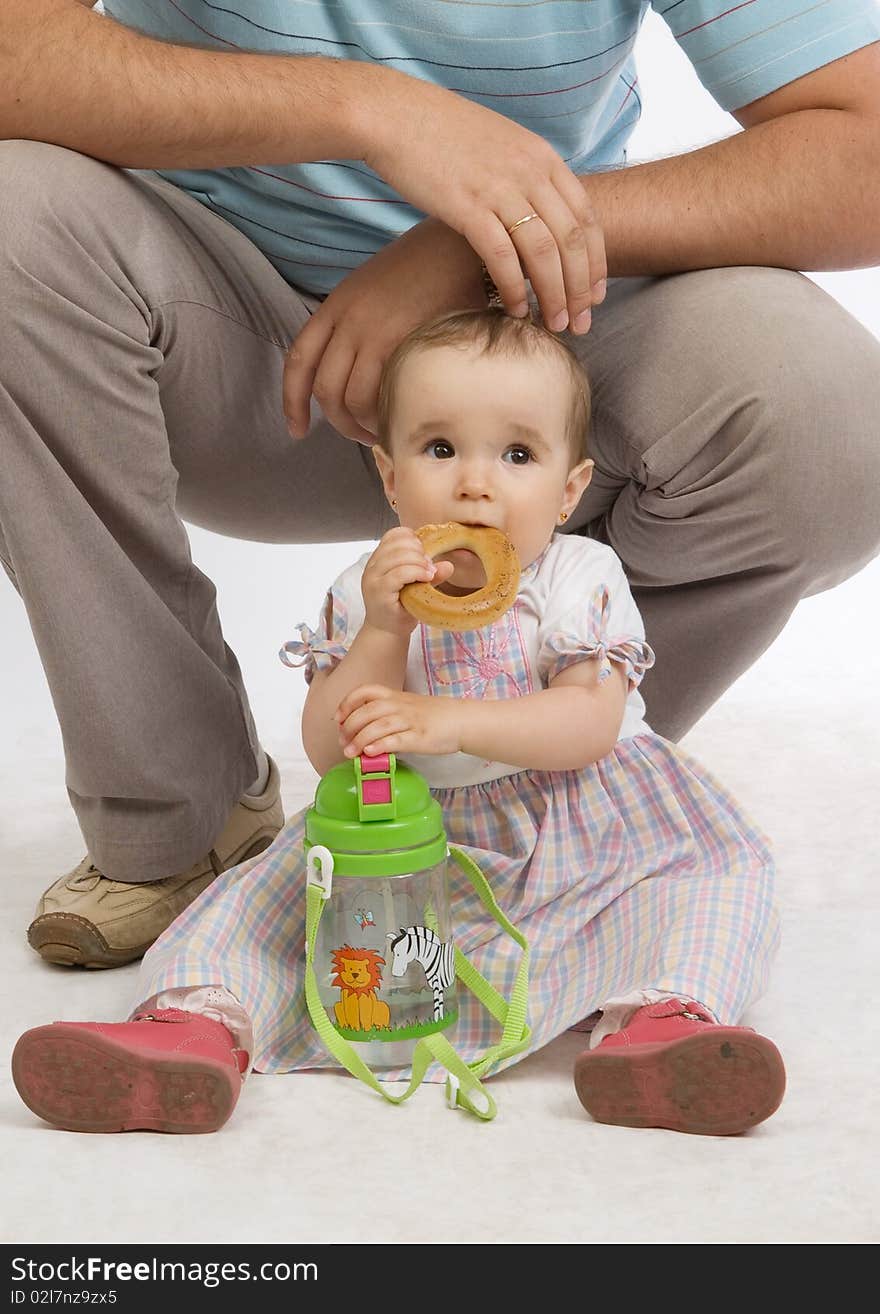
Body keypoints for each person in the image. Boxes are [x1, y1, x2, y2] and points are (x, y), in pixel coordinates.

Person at [3, 3, 880, 970]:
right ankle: (181, 819)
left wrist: (483, 244)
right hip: (211, 337)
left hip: (535, 358)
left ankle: (537, 809)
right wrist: (372, 111)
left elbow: (867, 148)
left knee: (829, 416)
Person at [12, 308, 786, 1138]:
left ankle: (662, 1029)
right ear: (389, 475)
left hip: (585, 832)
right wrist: (384, 631)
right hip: (403, 841)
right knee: (257, 912)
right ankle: (193, 1034)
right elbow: (324, 744)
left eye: (517, 454)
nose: (475, 483)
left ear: (568, 490)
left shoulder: (576, 574)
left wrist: (447, 721)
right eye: (440, 449)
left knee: (709, 886)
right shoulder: (368, 587)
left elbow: (586, 725)